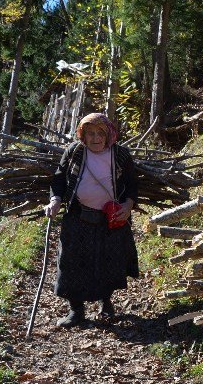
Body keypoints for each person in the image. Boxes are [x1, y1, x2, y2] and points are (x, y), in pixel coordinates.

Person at [43, 113, 139, 327]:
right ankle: (76, 311)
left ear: (109, 135)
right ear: (83, 135)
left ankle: (106, 303)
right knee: (71, 263)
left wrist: (128, 205)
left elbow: (132, 184)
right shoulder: (75, 152)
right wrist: (55, 200)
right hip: (78, 216)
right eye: (90, 133)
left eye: (100, 133)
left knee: (108, 262)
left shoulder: (120, 155)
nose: (95, 138)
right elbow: (58, 179)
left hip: (110, 219)